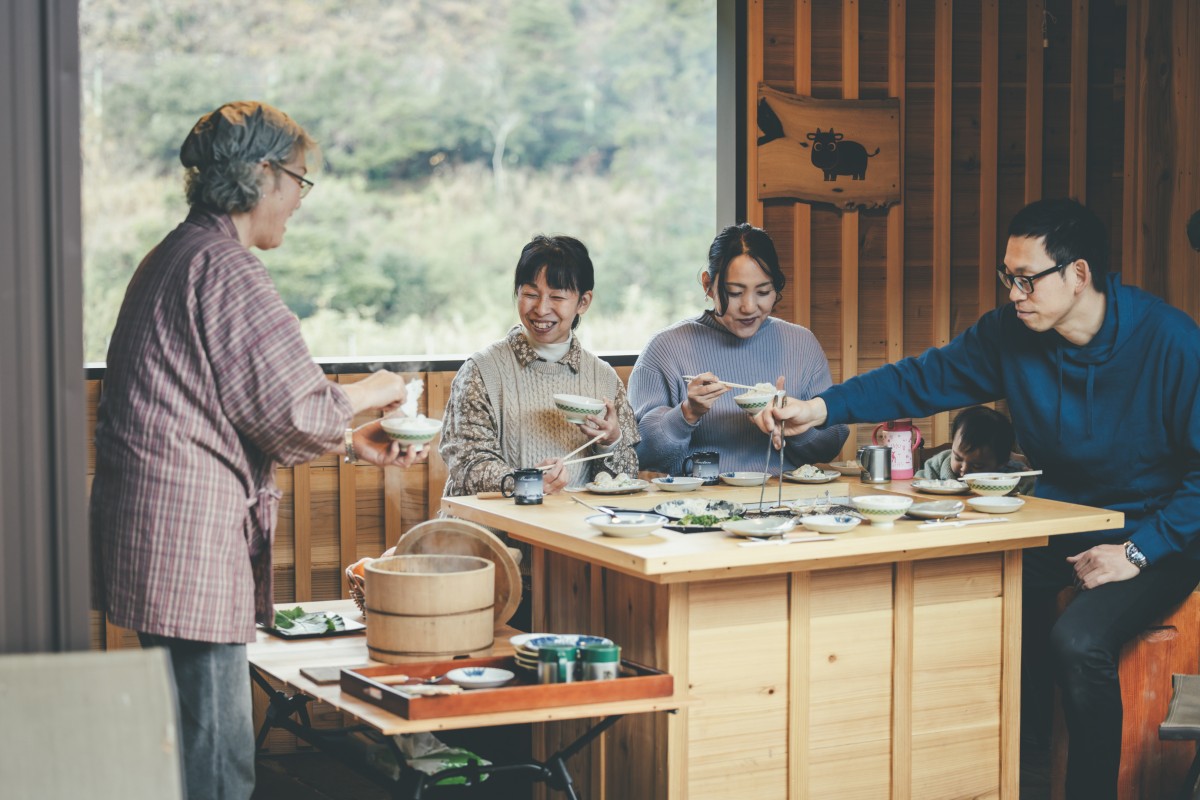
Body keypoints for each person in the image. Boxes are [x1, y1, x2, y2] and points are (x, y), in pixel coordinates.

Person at [754, 197, 1200, 800]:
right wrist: (821, 408)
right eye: (1006, 277)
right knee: (952, 594)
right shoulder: (1009, 334)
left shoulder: (1170, 339)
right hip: (1064, 518)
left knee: (1078, 641)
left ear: (1079, 274)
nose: (1014, 293)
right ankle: (978, 775)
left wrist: (1139, 551)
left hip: (1163, 533)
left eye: (1026, 279)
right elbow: (920, 377)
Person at [90, 101, 429, 800]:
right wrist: (377, 389)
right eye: (300, 181)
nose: (300, 200)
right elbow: (293, 408)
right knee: (218, 760)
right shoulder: (227, 269)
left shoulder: (176, 253)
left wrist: (350, 439)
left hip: (156, 535)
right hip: (189, 541)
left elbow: (241, 408)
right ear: (262, 176)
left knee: (187, 745)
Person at [628, 223, 847, 475]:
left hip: (785, 502)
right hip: (696, 507)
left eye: (763, 292)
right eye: (734, 292)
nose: (749, 307)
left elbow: (832, 444)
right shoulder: (665, 348)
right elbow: (639, 453)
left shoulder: (801, 344)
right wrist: (687, 413)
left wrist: (795, 424)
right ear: (708, 285)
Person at [439, 234, 640, 497]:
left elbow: (624, 479)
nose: (541, 309)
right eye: (531, 294)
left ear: (583, 302)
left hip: (571, 531)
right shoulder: (481, 371)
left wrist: (611, 443)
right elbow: (467, 465)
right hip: (491, 533)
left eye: (556, 297)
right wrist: (527, 482)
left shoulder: (604, 379)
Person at [914, 405, 1036, 495]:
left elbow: (1036, 505)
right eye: (957, 458)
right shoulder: (937, 465)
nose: (964, 469)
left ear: (1001, 463)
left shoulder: (1016, 478)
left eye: (977, 466)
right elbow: (916, 486)